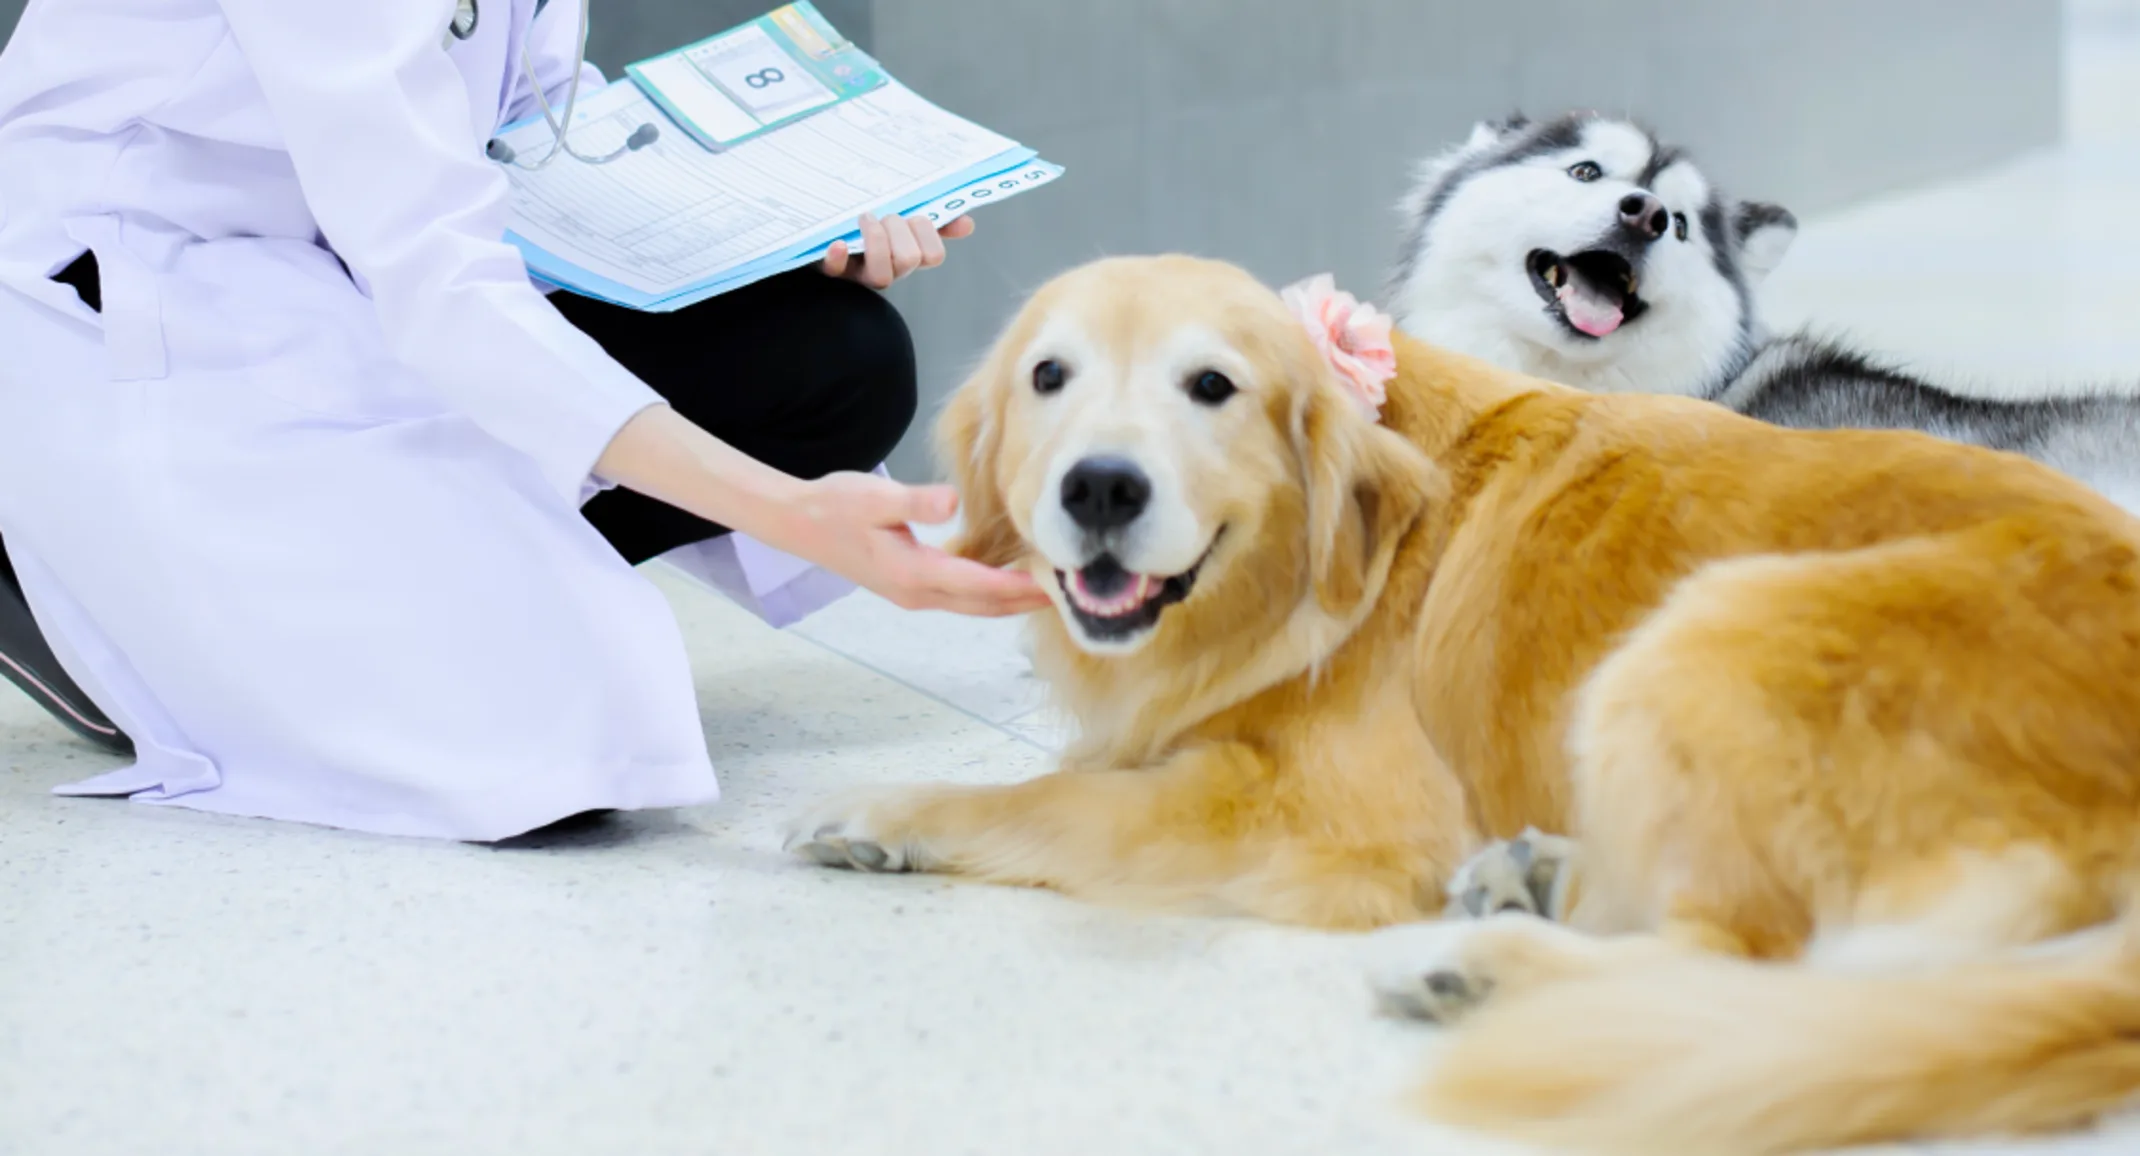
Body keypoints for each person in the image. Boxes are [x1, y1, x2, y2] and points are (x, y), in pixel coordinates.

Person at [0, 0, 1048, 841]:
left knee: (832, 358)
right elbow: (440, 278)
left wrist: (793, 228)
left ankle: (415, 573)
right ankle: (83, 599)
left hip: (340, 274)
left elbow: (525, 128)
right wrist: (782, 510)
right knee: (546, 751)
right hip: (137, 307)